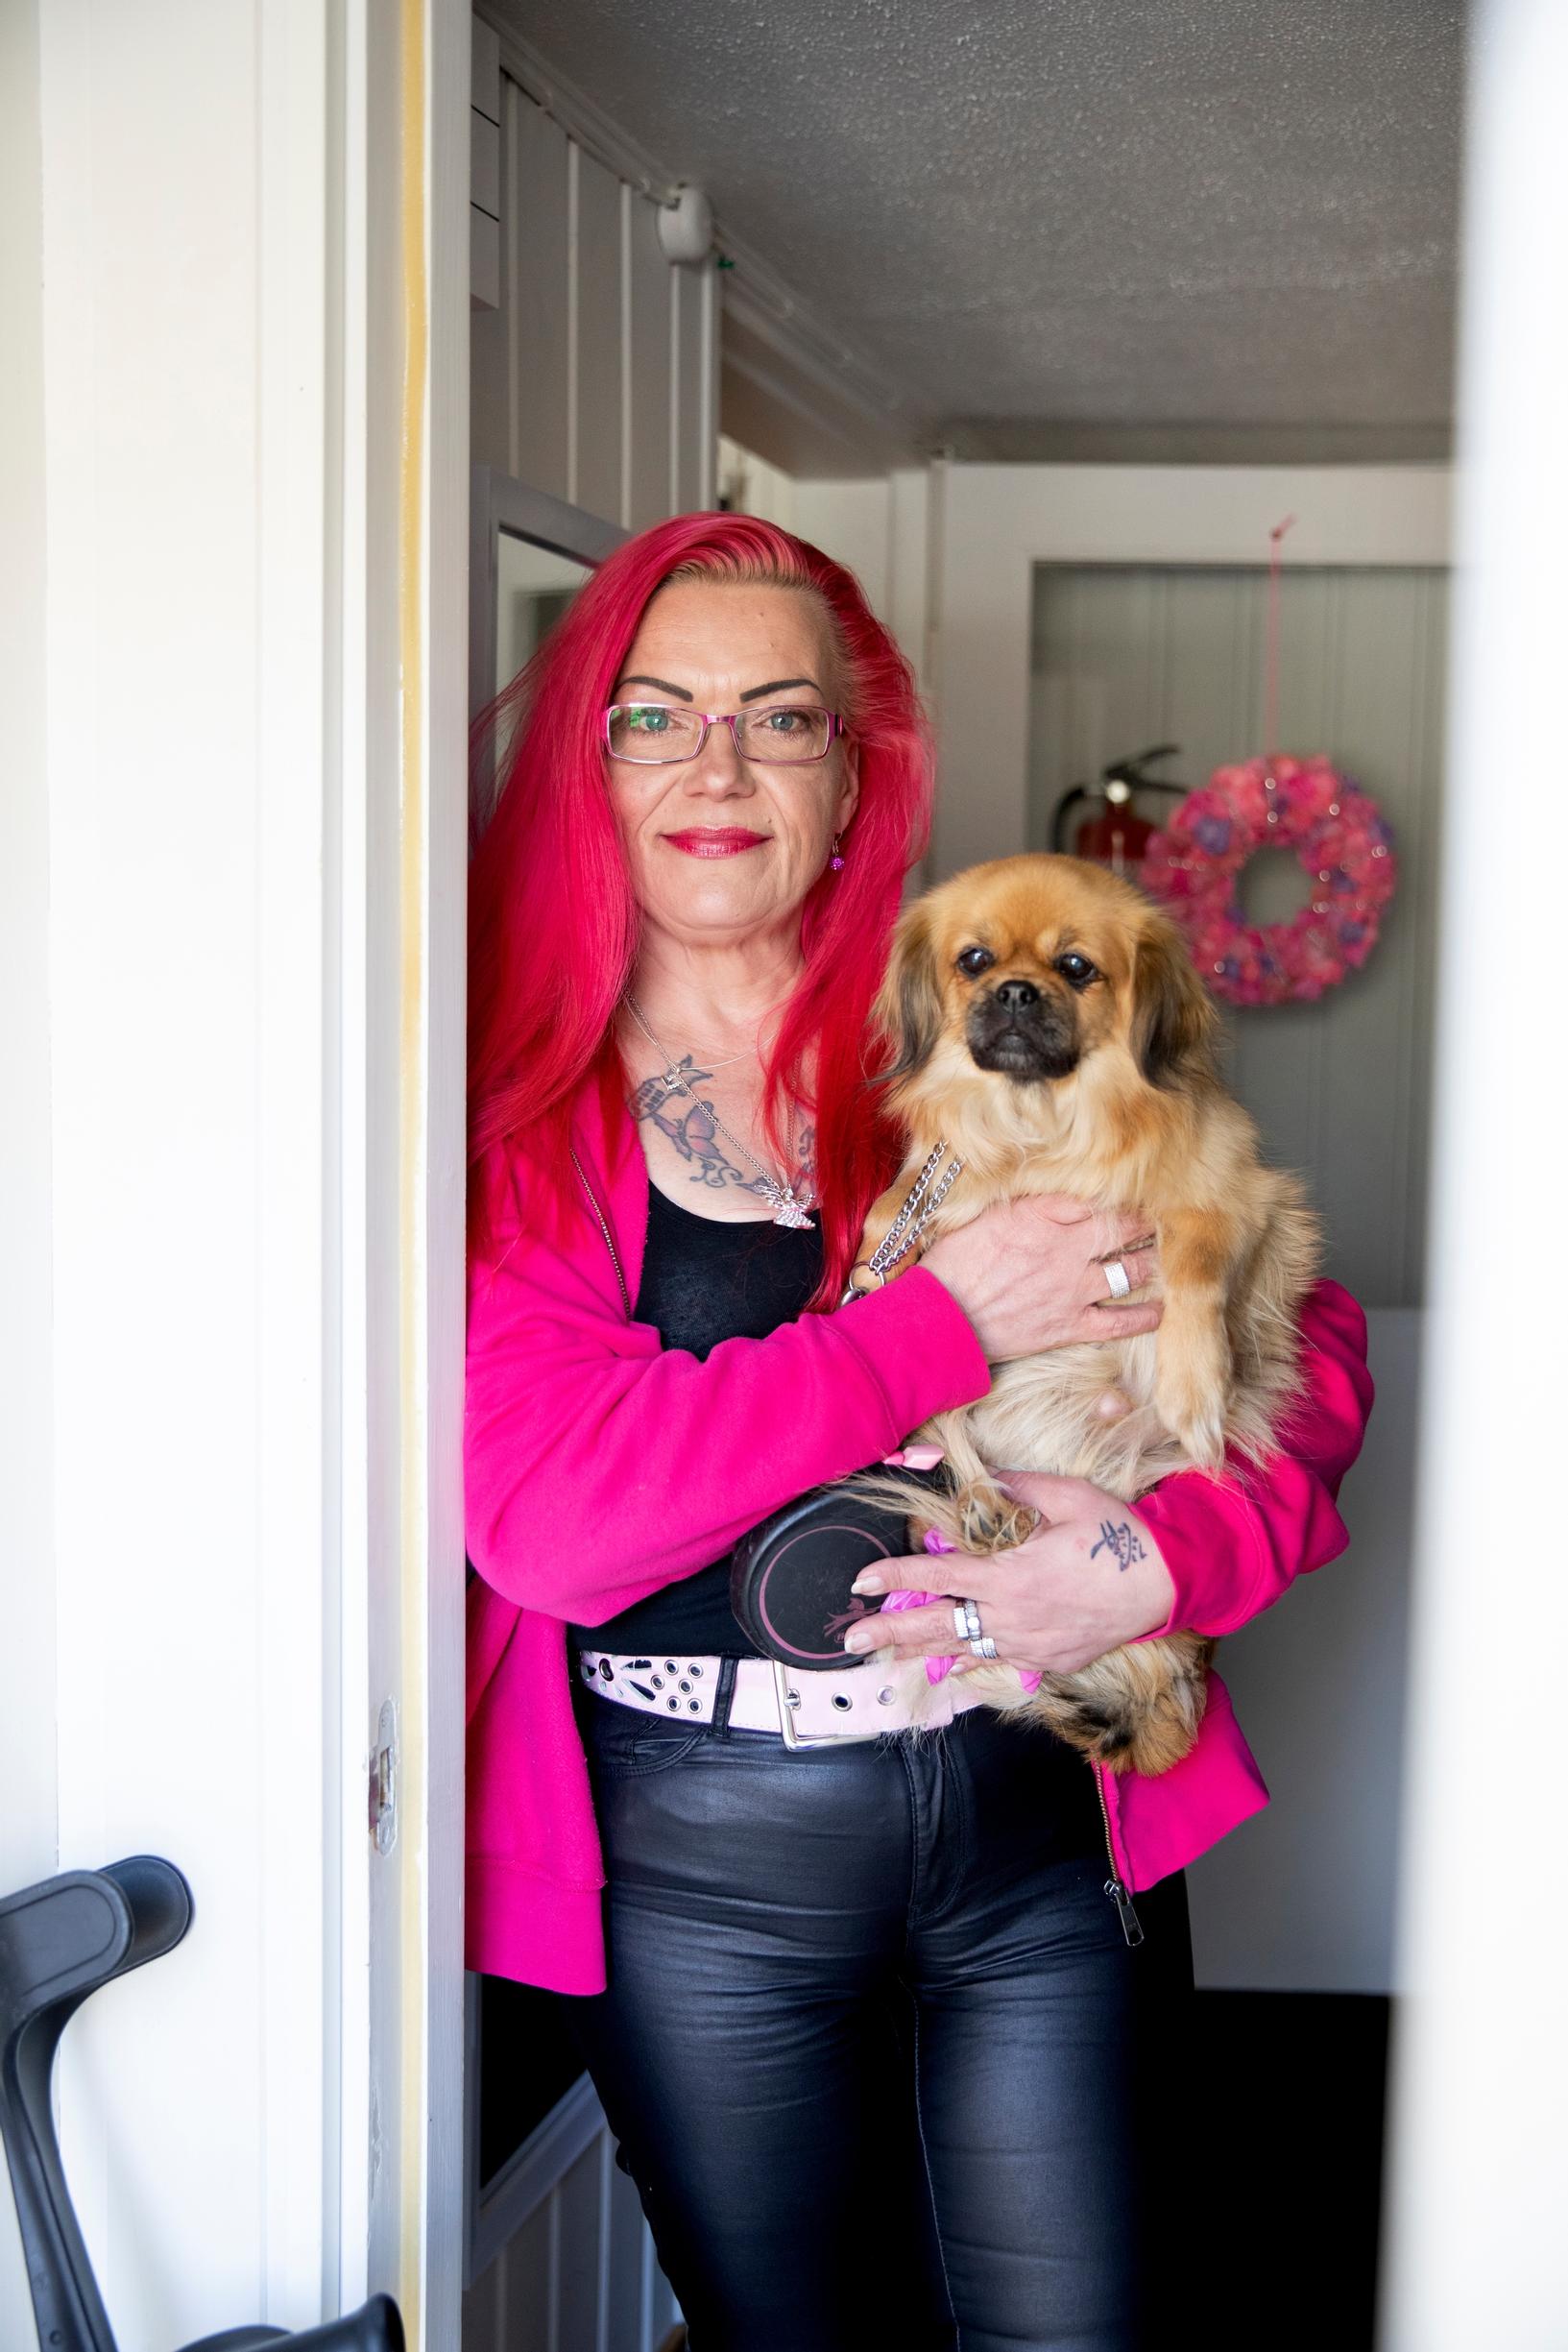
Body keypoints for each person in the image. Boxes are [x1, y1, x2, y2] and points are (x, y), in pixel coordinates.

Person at [464, 513, 1372, 2352]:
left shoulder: (971, 1029)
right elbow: (555, 1518)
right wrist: (940, 1323)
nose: (717, 765)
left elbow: (1300, 1331)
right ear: (588, 761)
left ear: (850, 771)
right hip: (700, 1878)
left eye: (779, 718)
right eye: (654, 715)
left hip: (1041, 1822)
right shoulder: (519, 1108)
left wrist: (1152, 1555)